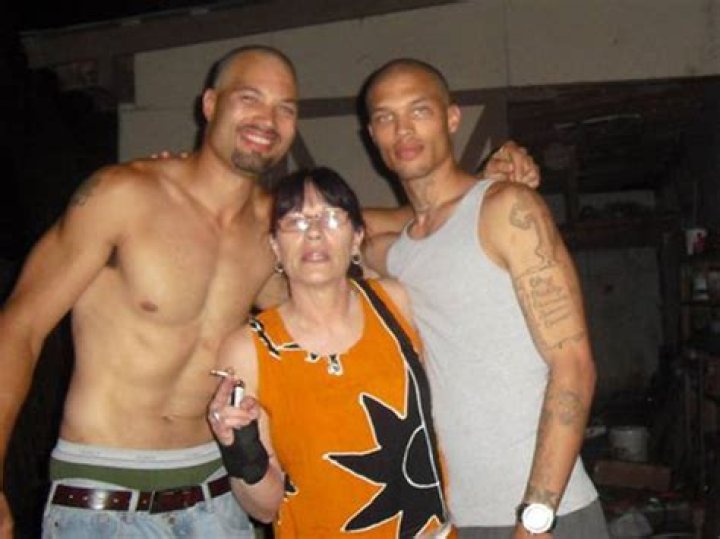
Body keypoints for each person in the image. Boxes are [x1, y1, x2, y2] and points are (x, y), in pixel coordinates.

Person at [0, 44, 537, 538]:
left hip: (217, 499)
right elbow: (20, 327)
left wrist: (482, 187)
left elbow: (387, 218)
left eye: (285, 108)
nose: (267, 119)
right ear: (210, 104)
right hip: (105, 498)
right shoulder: (122, 196)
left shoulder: (273, 229)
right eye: (249, 98)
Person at [362, 59, 609, 538]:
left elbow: (574, 365)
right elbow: (323, 222)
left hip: (544, 514)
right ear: (372, 134)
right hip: (454, 519)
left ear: (452, 118)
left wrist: (536, 517)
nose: (403, 129)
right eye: (386, 117)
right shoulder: (395, 252)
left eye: (419, 110)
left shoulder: (507, 208)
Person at [208, 166, 452, 537]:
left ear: (356, 238)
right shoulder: (248, 349)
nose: (314, 233)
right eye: (295, 222)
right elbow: (264, 508)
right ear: (275, 246)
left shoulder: (396, 304)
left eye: (331, 217)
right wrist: (239, 448)